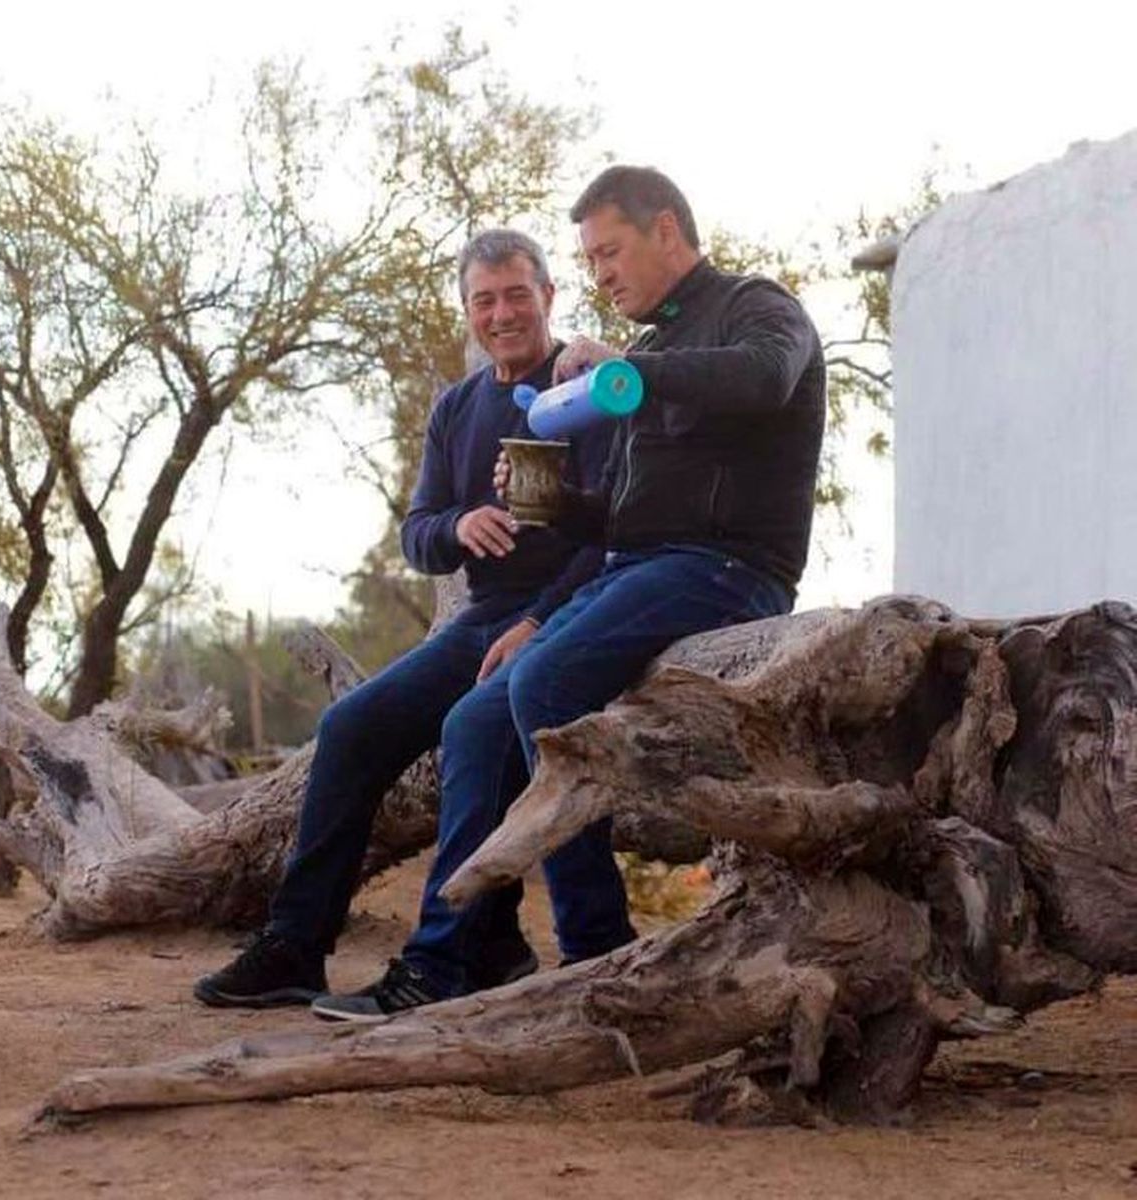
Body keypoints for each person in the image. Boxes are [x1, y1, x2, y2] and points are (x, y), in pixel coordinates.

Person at [314, 164, 826, 1021]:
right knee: (473, 718)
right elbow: (618, 522)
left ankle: (596, 952)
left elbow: (766, 378)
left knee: (541, 684)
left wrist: (630, 370)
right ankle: (446, 961)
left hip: (728, 568)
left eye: (609, 252)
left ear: (667, 230)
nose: (602, 275)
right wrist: (539, 571)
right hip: (639, 568)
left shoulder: (755, 306)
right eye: (590, 261)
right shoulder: (651, 351)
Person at [194, 228, 611, 1008]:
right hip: (482, 619)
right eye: (483, 300)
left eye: (517, 294)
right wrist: (457, 528)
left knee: (475, 735)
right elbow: (417, 533)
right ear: (466, 311)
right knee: (350, 727)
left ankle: (458, 956)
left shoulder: (588, 384)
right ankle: (295, 945)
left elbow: (620, 534)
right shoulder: (456, 408)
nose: (501, 313)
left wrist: (545, 619)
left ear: (550, 295)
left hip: (574, 618)